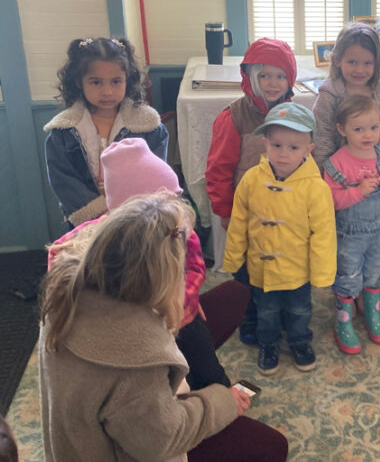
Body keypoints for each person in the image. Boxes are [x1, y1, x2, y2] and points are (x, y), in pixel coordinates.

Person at [38, 192, 244, 461]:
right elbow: (163, 438)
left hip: (78, 442)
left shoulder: (64, 299)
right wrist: (222, 401)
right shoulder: (135, 362)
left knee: (231, 298)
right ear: (163, 279)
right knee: (271, 446)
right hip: (141, 445)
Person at [47, 138, 248, 392]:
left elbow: (195, 268)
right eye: (168, 204)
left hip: (181, 316)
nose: (178, 211)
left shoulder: (179, 228)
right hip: (135, 330)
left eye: (176, 198)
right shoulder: (91, 240)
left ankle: (220, 392)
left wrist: (183, 299)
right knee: (163, 380)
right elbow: (60, 257)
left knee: (204, 360)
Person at [223, 102, 337, 375]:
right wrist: (233, 258)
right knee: (266, 311)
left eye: (294, 147)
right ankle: (268, 344)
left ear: (308, 149)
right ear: (265, 143)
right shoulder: (251, 180)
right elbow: (239, 223)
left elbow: (323, 234)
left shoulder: (316, 188)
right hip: (261, 268)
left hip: (298, 270)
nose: (283, 153)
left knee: (300, 311)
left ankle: (300, 343)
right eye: (276, 145)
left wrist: (322, 274)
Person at [206, 37, 297, 344]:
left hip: (286, 212)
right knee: (247, 270)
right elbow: (218, 170)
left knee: (282, 263)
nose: (272, 83)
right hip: (247, 213)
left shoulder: (295, 116)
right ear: (250, 77)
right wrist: (226, 212)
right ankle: (249, 316)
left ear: (290, 78)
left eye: (280, 75)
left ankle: (279, 311)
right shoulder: (233, 118)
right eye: (264, 75)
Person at [43, 37, 168, 227]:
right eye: (96, 82)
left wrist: (126, 214)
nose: (107, 91)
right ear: (79, 82)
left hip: (135, 222)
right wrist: (99, 214)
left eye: (116, 81)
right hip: (86, 224)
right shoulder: (63, 132)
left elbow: (154, 176)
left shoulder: (149, 128)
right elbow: (64, 181)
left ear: (127, 79)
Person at [322, 96, 380, 354]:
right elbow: (330, 200)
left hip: (379, 233)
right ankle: (343, 322)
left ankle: (372, 313)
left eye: (373, 127)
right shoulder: (337, 163)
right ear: (342, 129)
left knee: (374, 273)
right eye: (358, 129)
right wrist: (357, 192)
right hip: (349, 236)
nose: (368, 135)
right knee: (347, 276)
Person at [312, 23, 380, 170]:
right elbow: (322, 143)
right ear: (337, 60)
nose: (360, 70)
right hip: (342, 176)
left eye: (367, 63)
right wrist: (331, 177)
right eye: (352, 62)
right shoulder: (329, 97)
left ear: (376, 63)